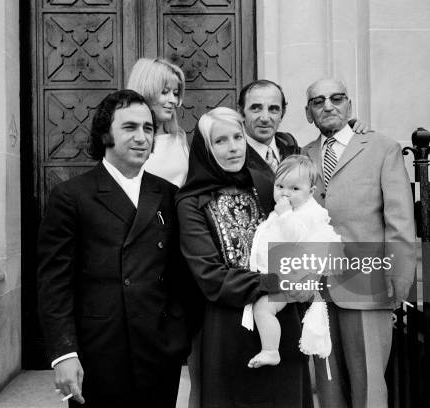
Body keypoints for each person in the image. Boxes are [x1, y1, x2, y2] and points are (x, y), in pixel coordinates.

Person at [37, 90, 192, 407]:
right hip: (98, 352)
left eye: (148, 129)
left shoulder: (167, 193)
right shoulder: (71, 196)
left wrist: (178, 332)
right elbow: (54, 282)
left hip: (158, 349)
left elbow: (180, 272)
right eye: (130, 128)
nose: (142, 137)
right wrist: (64, 353)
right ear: (105, 134)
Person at [176, 107, 313, 408]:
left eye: (238, 136)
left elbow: (299, 231)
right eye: (220, 141)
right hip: (228, 325)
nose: (234, 147)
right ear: (206, 149)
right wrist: (278, 283)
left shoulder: (267, 184)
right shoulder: (192, 202)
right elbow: (210, 276)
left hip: (280, 318)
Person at [302, 78, 416, 408]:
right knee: (327, 381)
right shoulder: (304, 153)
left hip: (368, 280)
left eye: (336, 98)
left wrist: (401, 275)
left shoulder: (382, 147)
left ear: (349, 105)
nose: (327, 105)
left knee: (368, 383)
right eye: (318, 101)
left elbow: (400, 218)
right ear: (308, 112)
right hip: (317, 287)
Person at [244, 155, 342, 370]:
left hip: (293, 277)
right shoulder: (289, 210)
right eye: (279, 186)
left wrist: (285, 214)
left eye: (295, 189)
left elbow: (295, 237)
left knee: (263, 309)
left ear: (311, 192)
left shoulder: (307, 213)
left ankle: (270, 350)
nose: (285, 193)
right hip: (279, 275)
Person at [238, 79, 369, 180]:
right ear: (241, 112)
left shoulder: (290, 145)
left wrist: (346, 129)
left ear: (282, 114)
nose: (265, 118)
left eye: (273, 109)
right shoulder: (232, 155)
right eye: (255, 108)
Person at [127, 57, 190, 187]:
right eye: (165, 92)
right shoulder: (126, 141)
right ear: (145, 91)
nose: (173, 100)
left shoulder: (179, 138)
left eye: (176, 93)